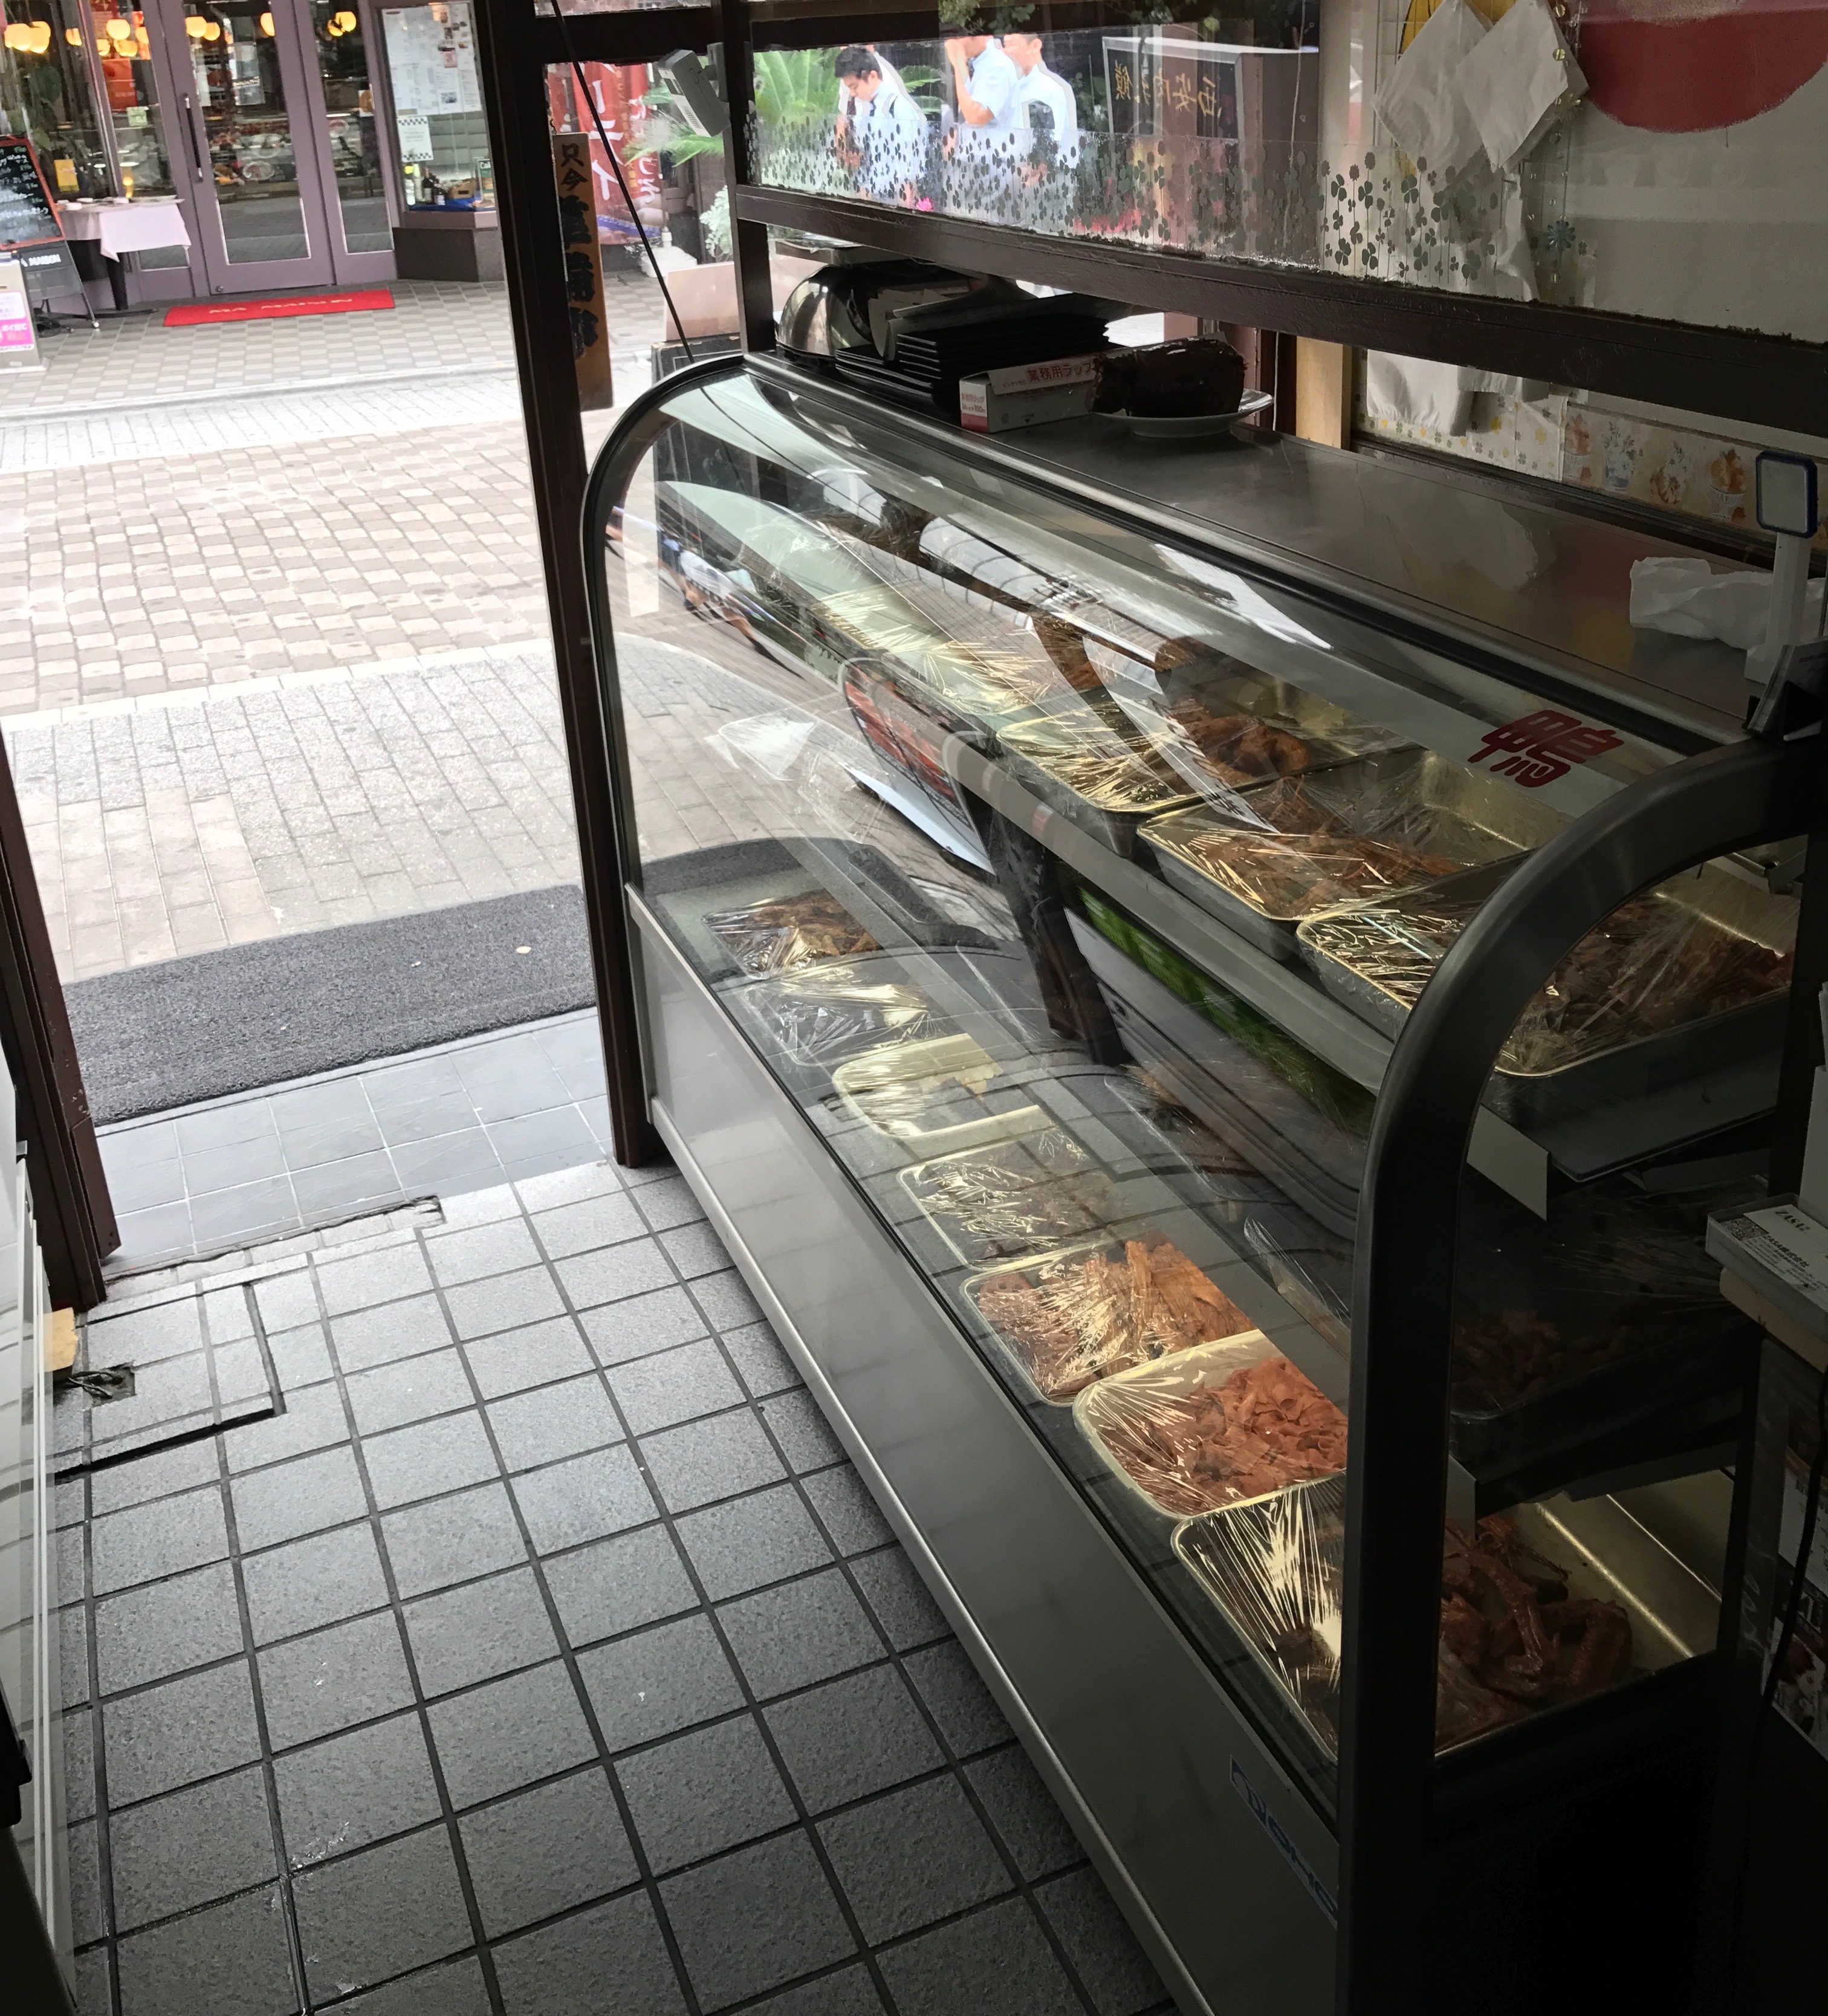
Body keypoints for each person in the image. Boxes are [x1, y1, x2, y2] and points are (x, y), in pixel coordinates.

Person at [834, 47, 929, 208]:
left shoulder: (898, 108)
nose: (853, 93)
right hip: (875, 196)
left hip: (896, 199)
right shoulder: (866, 110)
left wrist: (904, 210)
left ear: (872, 76)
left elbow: (909, 165)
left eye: (855, 87)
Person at [941, 33, 1021, 210]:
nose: (950, 44)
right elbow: (967, 105)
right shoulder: (980, 63)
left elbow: (976, 116)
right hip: (975, 172)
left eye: (955, 38)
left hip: (993, 176)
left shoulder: (998, 65)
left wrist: (958, 60)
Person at [1005, 33, 1078, 170]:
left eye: (1011, 45)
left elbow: (1052, 145)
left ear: (1035, 46)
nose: (1006, 52)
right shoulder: (1015, 87)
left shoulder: (1053, 88)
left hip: (1050, 174)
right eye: (1005, 45)